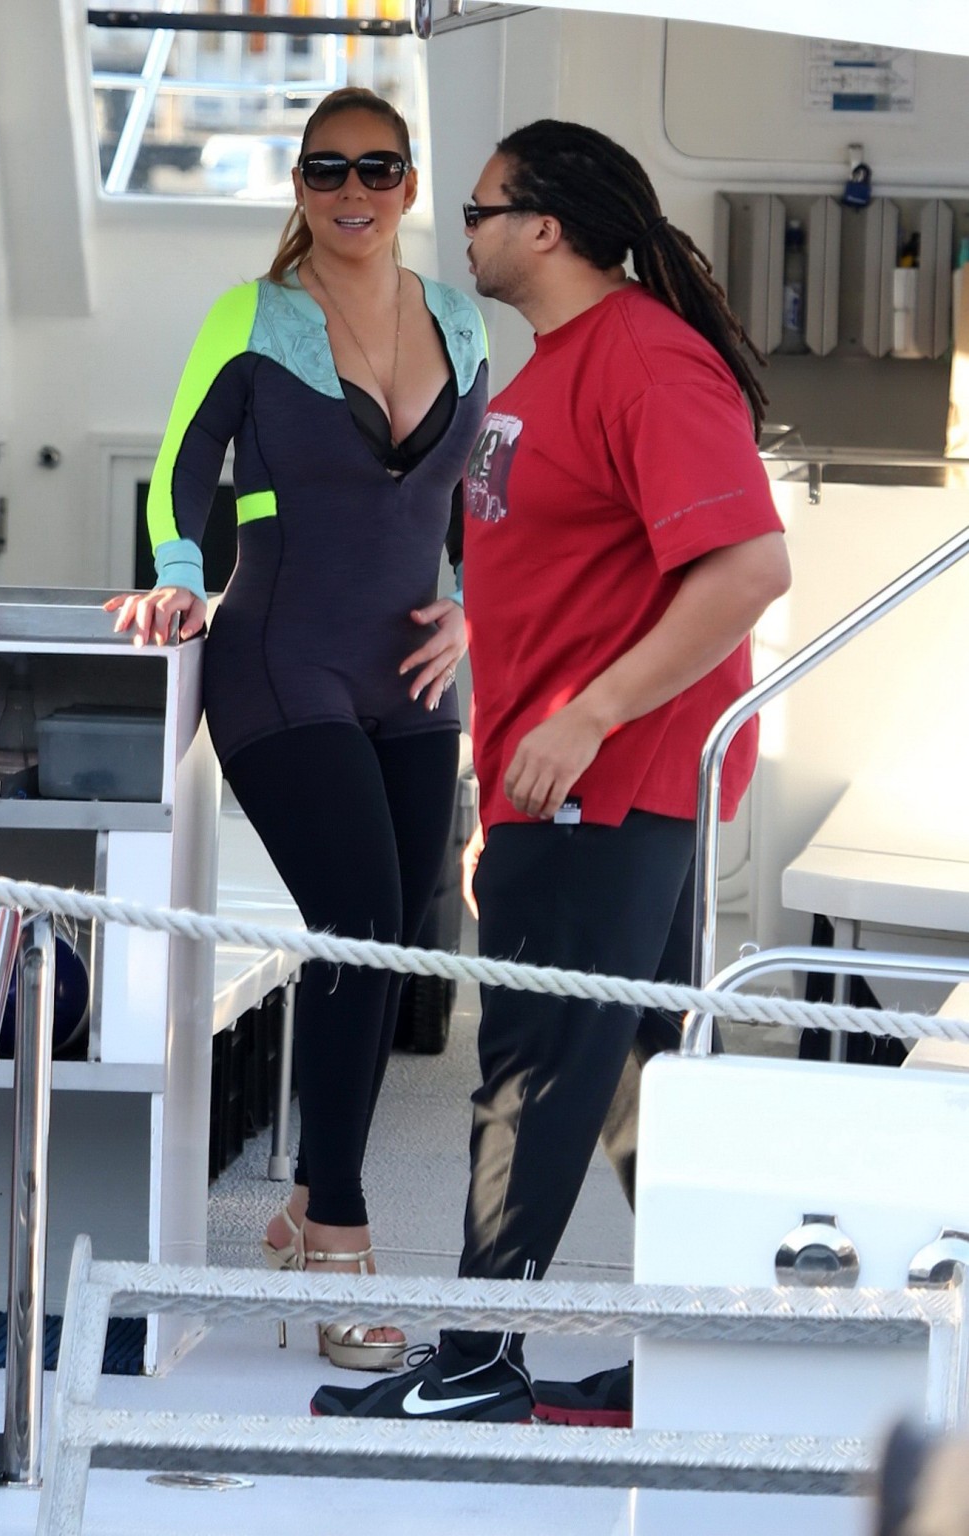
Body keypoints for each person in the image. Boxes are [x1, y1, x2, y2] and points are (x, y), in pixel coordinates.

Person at [310, 117, 790, 1422]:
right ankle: (705, 1350)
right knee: (634, 1072)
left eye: (476, 210)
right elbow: (557, 567)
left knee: (529, 1065)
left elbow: (746, 568)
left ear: (546, 226)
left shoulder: (643, 360)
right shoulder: (555, 363)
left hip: (609, 780)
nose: (456, 231)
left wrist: (586, 716)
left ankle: (474, 1363)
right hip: (551, 782)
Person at [107, 87, 488, 1371]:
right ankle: (338, 1234)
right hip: (280, 658)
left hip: (411, 677)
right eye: (328, 169)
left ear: (408, 185)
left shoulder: (461, 318)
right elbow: (180, 470)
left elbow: (479, 499)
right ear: (300, 183)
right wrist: (172, 572)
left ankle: (308, 1192)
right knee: (360, 923)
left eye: (377, 169)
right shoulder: (253, 316)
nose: (353, 191)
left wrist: (477, 612)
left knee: (395, 945)